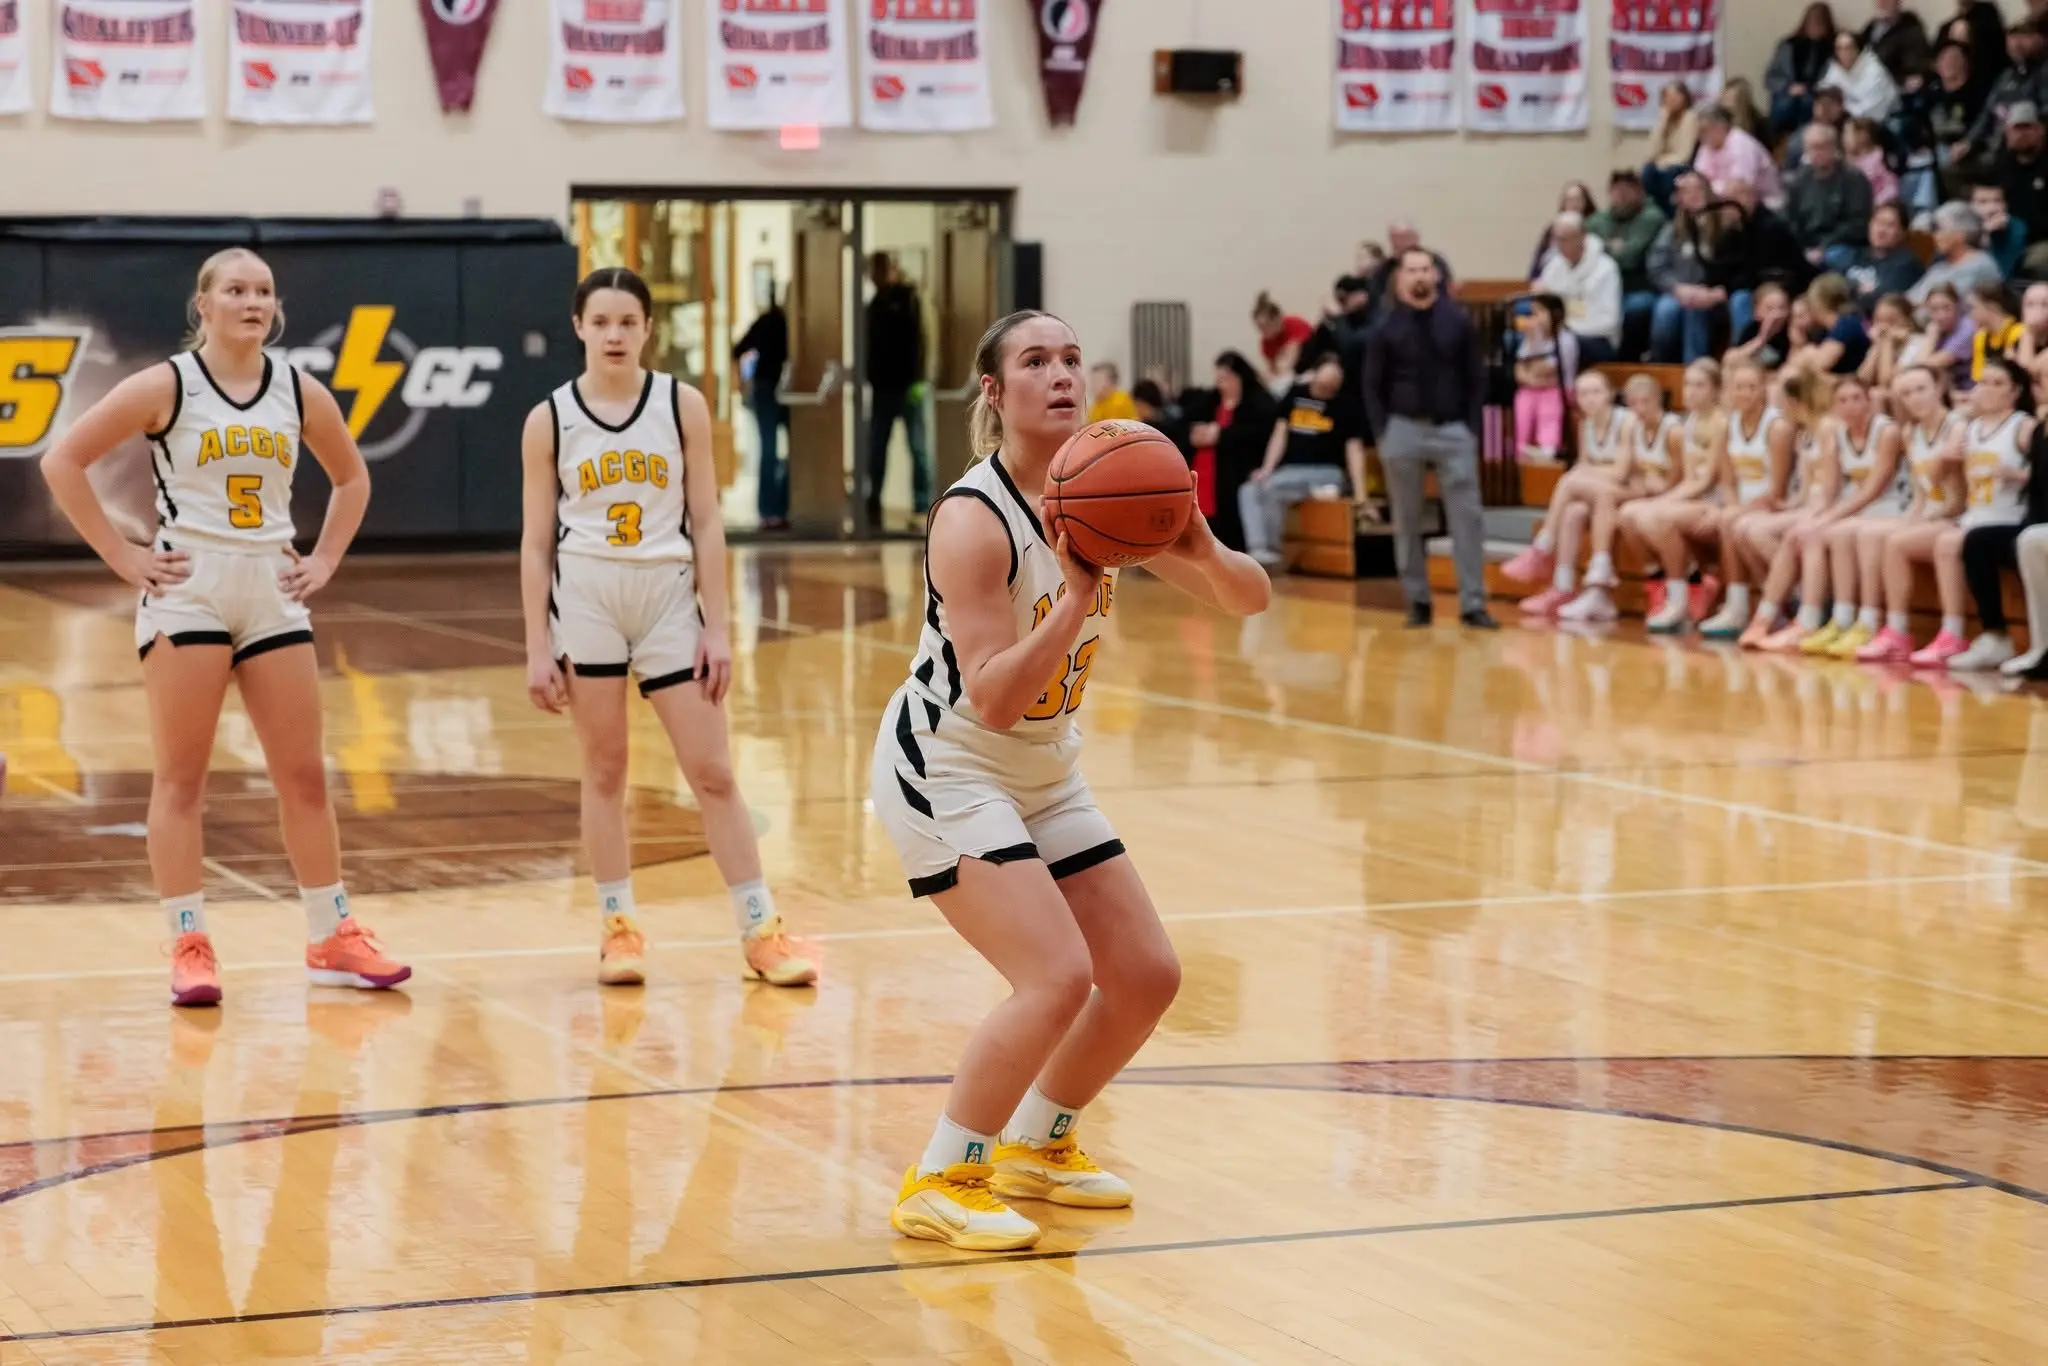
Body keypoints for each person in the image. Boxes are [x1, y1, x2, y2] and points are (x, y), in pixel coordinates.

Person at [868, 310, 1270, 1252]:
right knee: (1053, 976)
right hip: (948, 761)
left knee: (1145, 976)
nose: (1061, 375)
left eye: (1072, 359)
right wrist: (1078, 598)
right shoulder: (972, 519)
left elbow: (1250, 597)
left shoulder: (1112, 486)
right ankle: (941, 1174)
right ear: (995, 395)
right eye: (1035, 361)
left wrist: (1201, 546)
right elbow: (996, 697)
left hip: (1044, 766)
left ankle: (1037, 1145)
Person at [37, 246, 408, 1007]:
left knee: (304, 775)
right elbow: (63, 462)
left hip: (271, 588)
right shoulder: (166, 385)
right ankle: (188, 943)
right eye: (235, 289)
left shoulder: (299, 391)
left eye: (264, 290)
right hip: (191, 589)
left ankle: (330, 933)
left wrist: (328, 558)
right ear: (202, 306)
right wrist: (123, 556)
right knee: (182, 779)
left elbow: (352, 476)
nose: (252, 301)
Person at [519, 267, 818, 990]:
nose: (616, 333)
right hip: (588, 601)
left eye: (629, 321)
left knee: (713, 772)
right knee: (606, 771)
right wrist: (536, 643)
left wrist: (719, 627)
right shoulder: (549, 419)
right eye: (603, 321)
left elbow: (709, 520)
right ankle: (618, 927)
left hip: (667, 603)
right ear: (580, 327)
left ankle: (760, 930)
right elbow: (535, 542)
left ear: (648, 329)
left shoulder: (680, 404)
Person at [1363, 247, 1496, 629]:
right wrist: (1383, 434)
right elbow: (1372, 387)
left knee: (1467, 519)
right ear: (1400, 278)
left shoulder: (1459, 322)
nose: (1420, 276)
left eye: (1426, 269)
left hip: (1453, 430)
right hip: (1402, 430)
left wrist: (1471, 429)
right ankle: (1418, 601)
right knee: (1407, 520)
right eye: (1412, 270)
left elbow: (1476, 379)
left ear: (1436, 275)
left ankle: (1473, 603)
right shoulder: (1385, 328)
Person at [1843, 366, 1968, 660]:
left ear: (1939, 388)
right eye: (1907, 393)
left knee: (1896, 542)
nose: (1915, 398)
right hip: (1934, 515)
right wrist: (1912, 519)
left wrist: (1922, 521)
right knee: (1878, 535)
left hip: (1958, 516)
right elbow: (1921, 495)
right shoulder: (1910, 432)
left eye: (1921, 389)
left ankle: (1940, 634)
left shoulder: (1957, 427)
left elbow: (1959, 499)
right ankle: (1879, 626)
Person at [1507, 369, 1652, 622]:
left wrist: (1585, 475)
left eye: (1596, 392)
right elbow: (1583, 465)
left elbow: (1620, 472)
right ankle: (1562, 587)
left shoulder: (1626, 421)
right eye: (1584, 393)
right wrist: (1586, 475)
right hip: (1602, 492)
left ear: (1609, 395)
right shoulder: (1585, 425)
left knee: (1571, 481)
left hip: (1635, 490)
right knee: (1574, 511)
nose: (1590, 399)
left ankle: (1543, 547)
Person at [1922, 355, 2037, 666]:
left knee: (1959, 542)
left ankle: (1973, 633)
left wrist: (2019, 475)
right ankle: (1953, 631)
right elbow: (1932, 484)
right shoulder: (1969, 429)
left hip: (2011, 518)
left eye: (1997, 383)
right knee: (1946, 540)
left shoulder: (2023, 426)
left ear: (2015, 391)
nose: (1986, 389)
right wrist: (1943, 460)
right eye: (1982, 382)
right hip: (1975, 515)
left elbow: (2042, 478)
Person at [1788, 374, 1909, 653]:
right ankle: (1840, 620)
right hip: (1858, 510)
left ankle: (1868, 621)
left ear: (1869, 401)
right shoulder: (1836, 433)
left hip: (1889, 507)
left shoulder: (1886, 431)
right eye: (1842, 400)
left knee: (1850, 532)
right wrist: (1817, 515)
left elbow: (1873, 490)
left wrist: (1833, 516)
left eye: (1857, 398)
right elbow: (1830, 488)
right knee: (1829, 532)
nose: (1850, 405)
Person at [1734, 370, 1843, 646]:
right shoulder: (1803, 434)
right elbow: (1805, 491)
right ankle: (1785, 602)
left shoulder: (1829, 427)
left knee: (1765, 533)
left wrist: (1808, 513)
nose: (1778, 408)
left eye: (1781, 402)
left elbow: (1831, 487)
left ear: (1795, 402)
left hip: (1831, 506)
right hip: (1810, 505)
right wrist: (1782, 506)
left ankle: (1804, 599)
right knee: (1745, 528)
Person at [1626, 359, 1733, 632]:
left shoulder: (1722, 422)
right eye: (1688, 384)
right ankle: (1667, 581)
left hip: (1716, 500)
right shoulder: (1690, 421)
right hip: (1694, 497)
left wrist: (1665, 501)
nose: (1692, 391)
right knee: (1628, 514)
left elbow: (1708, 479)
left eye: (1700, 385)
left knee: (1658, 517)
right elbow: (1688, 477)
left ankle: (1679, 597)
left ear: (1716, 390)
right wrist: (1666, 499)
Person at [1698, 358, 1797, 639]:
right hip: (1742, 505)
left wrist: (1737, 511)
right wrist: (1733, 507)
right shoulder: (1728, 425)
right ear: (1729, 390)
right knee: (1728, 519)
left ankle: (1746, 604)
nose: (1744, 393)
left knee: (1733, 522)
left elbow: (1778, 490)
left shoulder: (1777, 428)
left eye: (1751, 387)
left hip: (1771, 505)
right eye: (1739, 387)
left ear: (1764, 389)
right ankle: (1739, 604)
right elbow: (1727, 482)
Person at [1240, 354, 1367, 569]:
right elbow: (1280, 435)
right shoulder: (1296, 394)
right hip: (1291, 471)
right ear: (1313, 375)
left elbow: (1354, 450)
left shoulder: (1346, 404)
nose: (1330, 387)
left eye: (1335, 382)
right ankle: (1259, 549)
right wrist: (1266, 468)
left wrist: (1361, 493)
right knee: (1250, 489)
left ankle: (1272, 551)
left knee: (1272, 488)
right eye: (1326, 381)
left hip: (1327, 472)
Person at [865, 251, 931, 525]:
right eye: (874, 271)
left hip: (908, 387)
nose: (878, 275)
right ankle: (872, 502)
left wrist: (919, 377)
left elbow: (923, 338)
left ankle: (922, 503)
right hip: (882, 389)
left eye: (881, 269)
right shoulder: (873, 305)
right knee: (876, 448)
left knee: (917, 447)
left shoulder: (908, 298)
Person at [1192, 351, 1280, 552]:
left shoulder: (1259, 401)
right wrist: (1196, 432)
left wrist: (1222, 435)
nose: (1222, 385)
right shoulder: (1212, 399)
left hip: (1241, 465)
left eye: (1226, 379)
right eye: (1219, 380)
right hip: (1208, 464)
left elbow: (1260, 434)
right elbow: (1187, 420)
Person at [732, 285, 790, 530]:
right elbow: (738, 349)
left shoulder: (798, 323)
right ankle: (768, 511)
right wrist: (741, 383)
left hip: (790, 391)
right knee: (769, 448)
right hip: (767, 388)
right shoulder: (770, 321)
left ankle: (783, 506)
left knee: (799, 450)